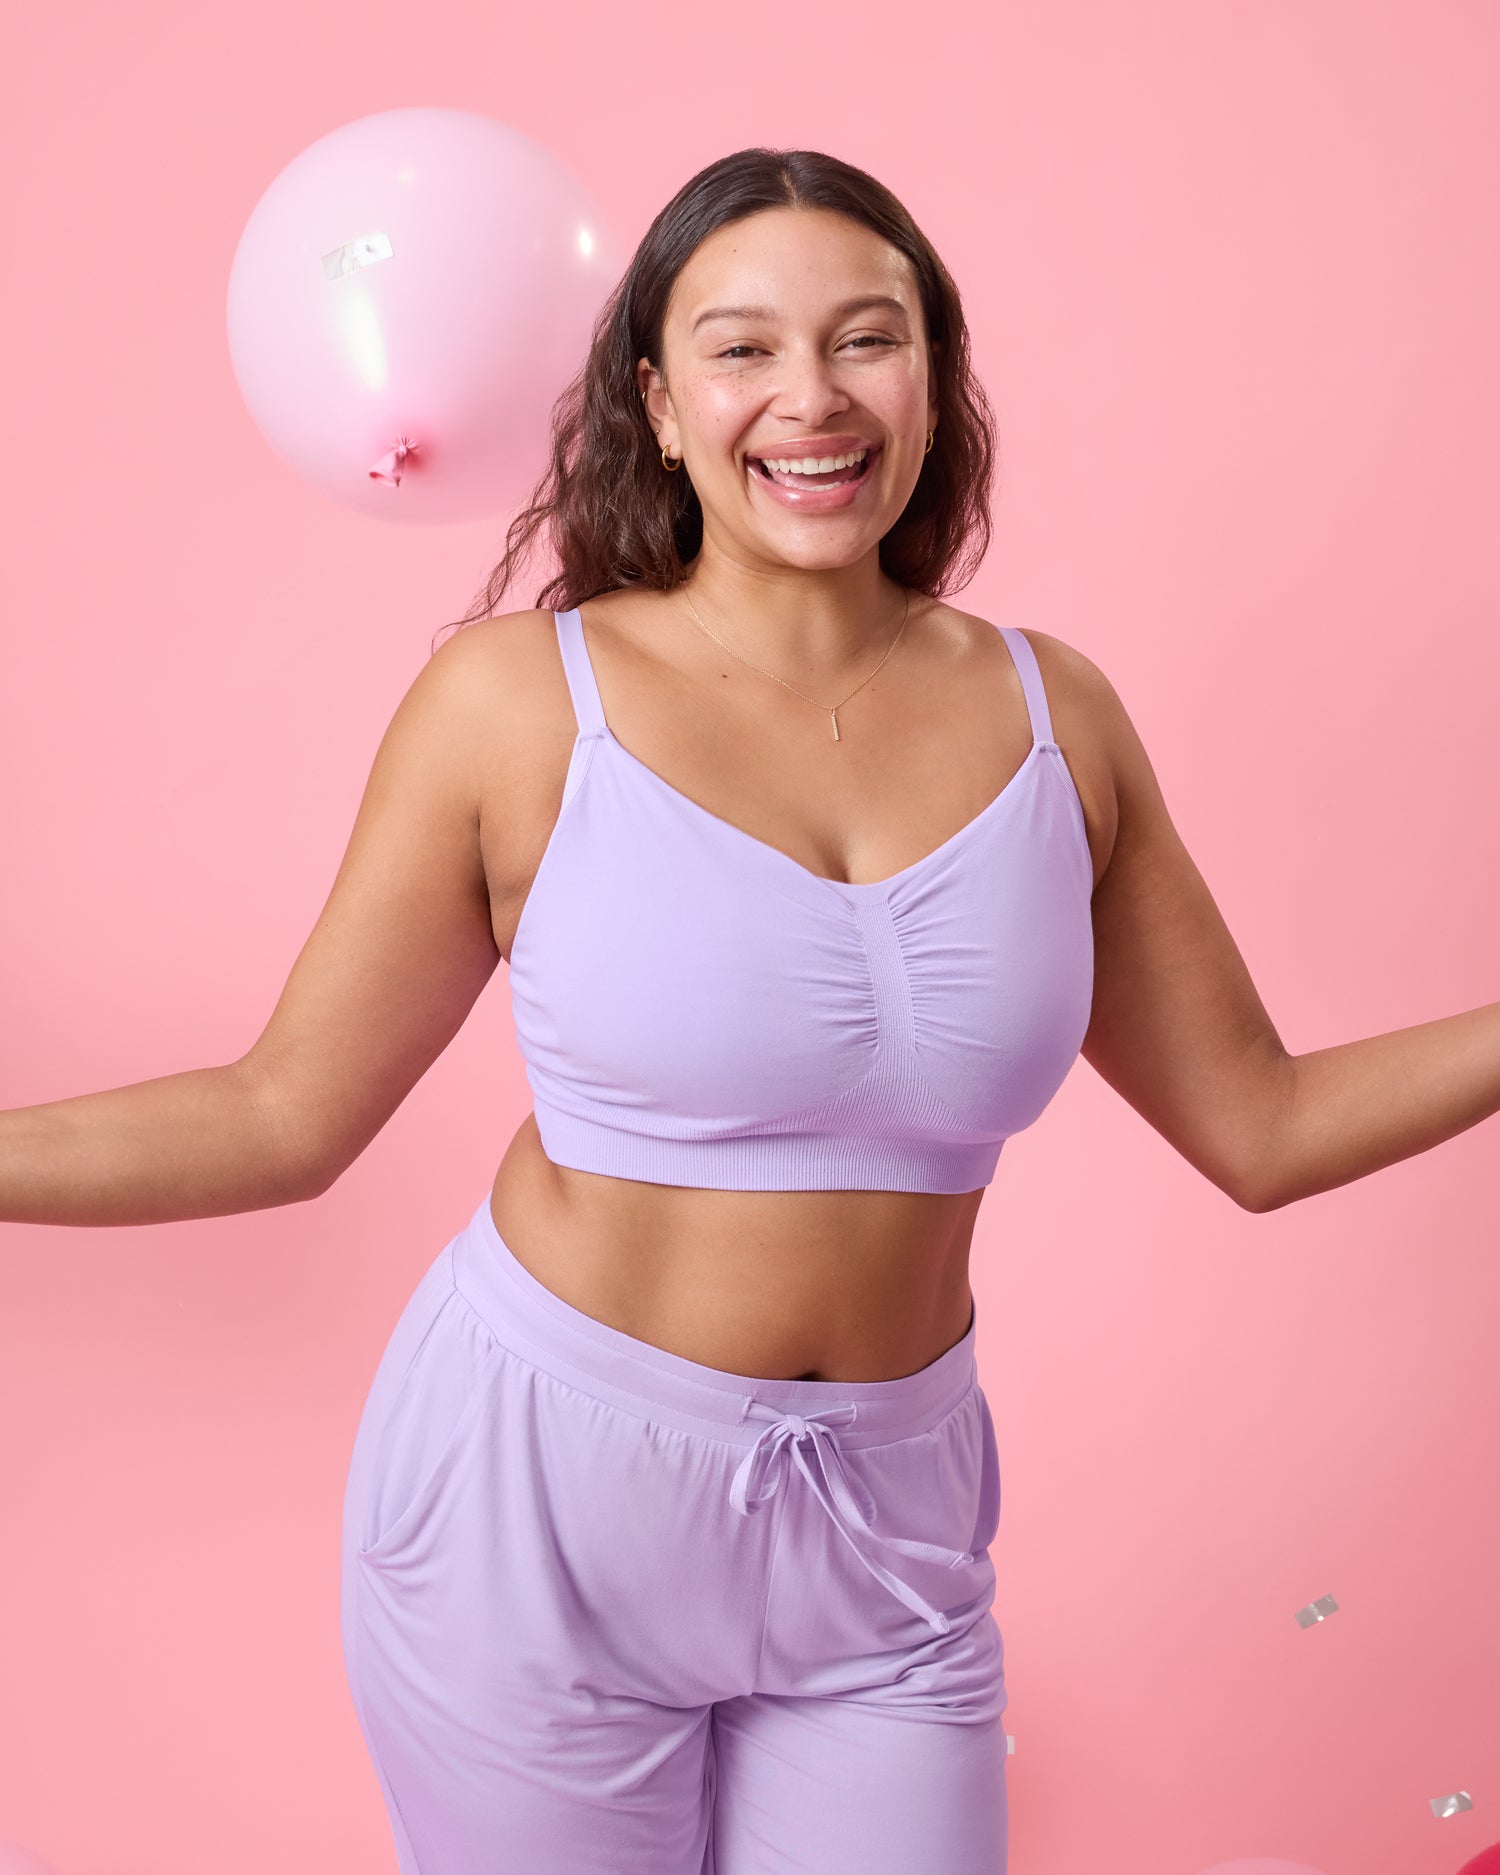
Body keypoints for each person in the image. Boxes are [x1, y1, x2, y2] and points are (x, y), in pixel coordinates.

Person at [7, 145, 1494, 1875]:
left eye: (869, 340)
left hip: (888, 1529)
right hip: (537, 1507)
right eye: (742, 348)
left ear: (934, 375)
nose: (811, 398)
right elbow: (281, 1114)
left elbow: (1265, 1124)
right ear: (655, 393)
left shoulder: (1053, 715)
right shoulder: (514, 703)